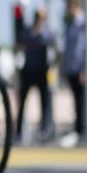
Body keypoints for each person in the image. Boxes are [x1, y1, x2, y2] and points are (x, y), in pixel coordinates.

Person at [15, 7, 56, 142]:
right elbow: (20, 40)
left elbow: (52, 44)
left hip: (42, 71)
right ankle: (18, 131)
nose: (39, 19)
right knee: (22, 101)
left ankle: (44, 129)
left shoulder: (48, 33)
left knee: (44, 102)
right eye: (38, 16)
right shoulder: (27, 32)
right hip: (28, 70)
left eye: (42, 17)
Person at [63, 0, 87, 140]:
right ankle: (78, 130)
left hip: (81, 68)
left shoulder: (85, 23)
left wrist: (85, 69)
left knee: (83, 101)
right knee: (77, 102)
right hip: (72, 67)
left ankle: (83, 131)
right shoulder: (70, 24)